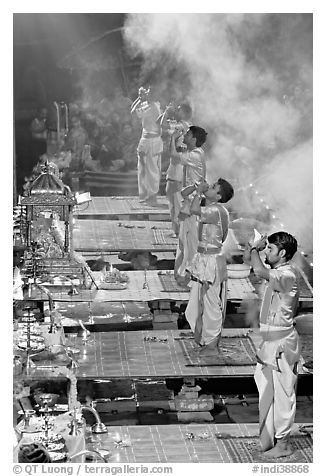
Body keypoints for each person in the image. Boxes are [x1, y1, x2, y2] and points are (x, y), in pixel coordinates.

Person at [244, 231, 300, 457]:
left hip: (282, 344)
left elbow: (258, 269)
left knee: (284, 395)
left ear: (283, 253)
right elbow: (257, 268)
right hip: (270, 342)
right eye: (266, 248)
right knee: (267, 391)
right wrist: (253, 250)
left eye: (270, 249)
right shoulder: (278, 272)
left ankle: (284, 444)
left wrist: (255, 249)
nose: (266, 252)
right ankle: (269, 440)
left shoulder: (288, 276)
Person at [184, 178, 234, 356]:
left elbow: (194, 210)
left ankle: (212, 345)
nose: (209, 187)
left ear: (219, 196)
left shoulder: (215, 209)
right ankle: (207, 340)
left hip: (211, 260)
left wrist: (198, 192)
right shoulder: (219, 210)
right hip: (207, 257)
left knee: (211, 303)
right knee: (203, 300)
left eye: (213, 187)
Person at [171, 126, 207, 281]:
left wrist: (172, 138)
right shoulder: (195, 152)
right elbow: (179, 150)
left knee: (190, 241)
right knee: (183, 239)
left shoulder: (195, 155)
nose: (184, 135)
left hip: (193, 202)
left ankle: (191, 275)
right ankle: (181, 272)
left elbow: (173, 156)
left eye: (187, 134)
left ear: (193, 139)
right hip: (189, 199)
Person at [162, 103, 193, 236]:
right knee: (179, 204)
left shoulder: (180, 127)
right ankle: (180, 231)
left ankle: (178, 232)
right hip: (184, 170)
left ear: (184, 113)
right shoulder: (191, 127)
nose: (176, 111)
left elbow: (162, 128)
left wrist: (166, 112)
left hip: (176, 171)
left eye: (179, 110)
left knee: (174, 205)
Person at [131, 87, 163, 204]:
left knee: (152, 169)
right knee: (142, 168)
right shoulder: (147, 104)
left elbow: (135, 113)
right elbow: (132, 110)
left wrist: (140, 99)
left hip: (153, 140)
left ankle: (152, 195)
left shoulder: (154, 106)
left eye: (148, 94)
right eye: (146, 94)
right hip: (145, 138)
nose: (146, 96)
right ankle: (145, 195)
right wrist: (139, 99)